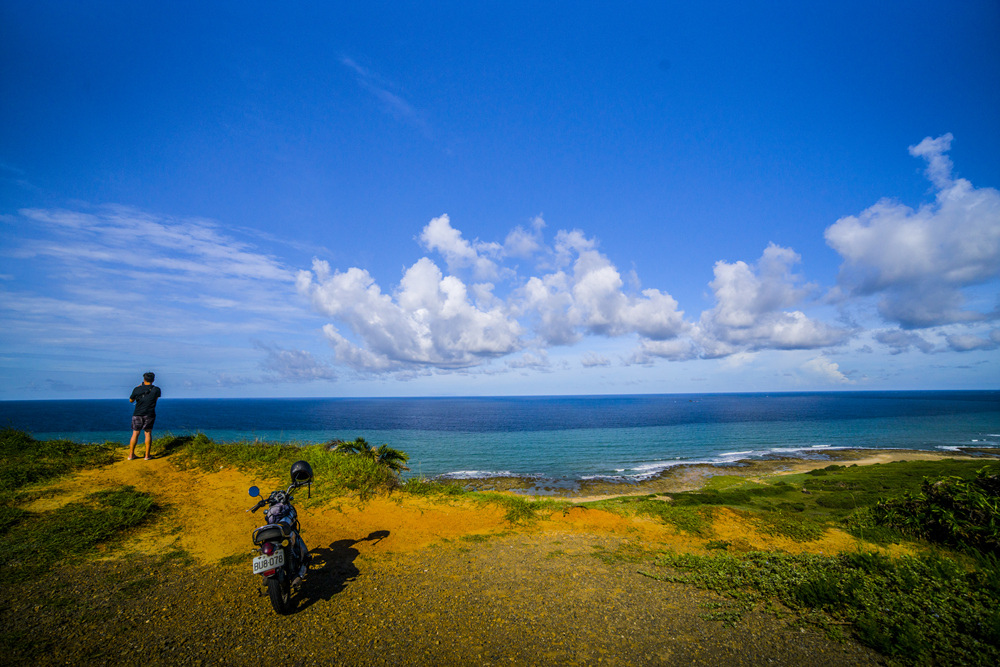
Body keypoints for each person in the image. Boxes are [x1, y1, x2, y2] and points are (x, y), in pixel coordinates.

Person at [128, 372, 161, 461]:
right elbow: (155, 399)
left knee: (135, 433)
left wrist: (139, 388)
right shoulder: (156, 389)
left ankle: (131, 455)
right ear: (153, 380)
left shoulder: (137, 389)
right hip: (149, 413)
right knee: (148, 433)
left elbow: (131, 400)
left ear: (144, 379)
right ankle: (147, 455)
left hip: (137, 413)